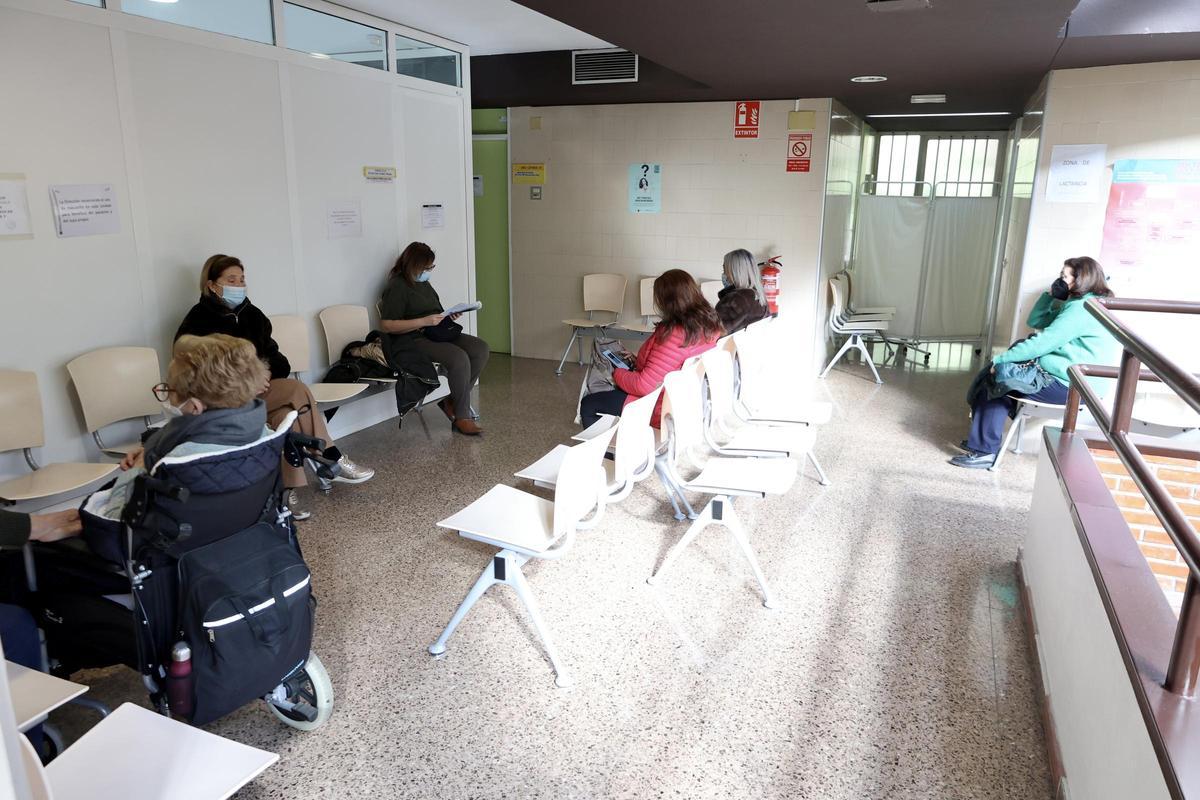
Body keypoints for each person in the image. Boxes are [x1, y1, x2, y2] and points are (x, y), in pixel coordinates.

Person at [176, 255, 374, 518]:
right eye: (231, 280)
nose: (239, 284)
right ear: (212, 285)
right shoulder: (197, 321)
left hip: (261, 391)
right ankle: (331, 455)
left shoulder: (253, 315)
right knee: (295, 392)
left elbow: (277, 358)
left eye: (242, 279)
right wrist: (247, 379)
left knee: (286, 417)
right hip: (224, 399)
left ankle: (283, 493)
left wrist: (265, 372)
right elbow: (193, 369)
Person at [951, 256, 1118, 469]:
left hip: (1073, 386)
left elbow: (1043, 343)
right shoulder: (1082, 303)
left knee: (997, 381)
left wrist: (999, 359)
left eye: (1064, 277)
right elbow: (1036, 321)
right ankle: (981, 440)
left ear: (1081, 280)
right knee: (1003, 371)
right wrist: (1050, 296)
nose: (1060, 280)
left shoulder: (1081, 309)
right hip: (1070, 379)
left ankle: (984, 451)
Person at [112, 334, 276, 516]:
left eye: (170, 389)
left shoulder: (177, 461)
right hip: (244, 533)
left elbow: (117, 518)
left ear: (196, 406)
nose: (167, 397)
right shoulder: (265, 435)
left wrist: (139, 467)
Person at [579, 269, 723, 429]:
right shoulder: (707, 327)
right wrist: (639, 359)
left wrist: (617, 373)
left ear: (667, 301)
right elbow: (669, 364)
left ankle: (610, 453)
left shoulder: (675, 333)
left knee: (588, 404)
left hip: (657, 406)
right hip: (683, 401)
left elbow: (644, 386)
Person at [379, 242, 490, 436]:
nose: (429, 271)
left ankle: (451, 402)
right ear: (414, 264)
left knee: (480, 349)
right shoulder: (397, 286)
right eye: (427, 267)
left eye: (431, 267)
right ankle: (462, 417)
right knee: (458, 358)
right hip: (412, 338)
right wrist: (423, 321)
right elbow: (387, 325)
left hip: (436, 331)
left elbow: (434, 311)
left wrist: (449, 315)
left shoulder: (423, 283)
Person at [714, 248, 769, 334]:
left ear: (735, 272)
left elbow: (715, 332)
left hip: (729, 346)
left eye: (725, 269)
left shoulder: (733, 300)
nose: (724, 274)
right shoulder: (759, 297)